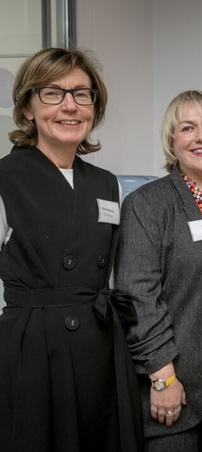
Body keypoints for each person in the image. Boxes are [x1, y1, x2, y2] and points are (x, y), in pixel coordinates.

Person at [0, 48, 143, 451]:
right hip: (34, 351)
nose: (69, 106)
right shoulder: (6, 179)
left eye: (82, 94)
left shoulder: (106, 183)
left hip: (100, 346)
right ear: (27, 108)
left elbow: (115, 272)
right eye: (52, 94)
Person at [115, 90, 202, 451]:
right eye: (187, 128)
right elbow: (138, 295)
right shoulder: (148, 204)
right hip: (175, 391)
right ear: (172, 141)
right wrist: (162, 378)